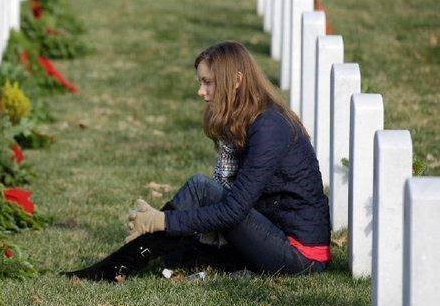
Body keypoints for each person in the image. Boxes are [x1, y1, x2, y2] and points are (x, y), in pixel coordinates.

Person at [64, 41, 331, 282]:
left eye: (208, 82)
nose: (200, 91)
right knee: (180, 248)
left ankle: (116, 266)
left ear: (236, 80)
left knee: (200, 189)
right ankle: (122, 262)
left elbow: (233, 210)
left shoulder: (269, 126)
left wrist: (163, 221)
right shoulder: (251, 118)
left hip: (300, 256)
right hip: (275, 234)